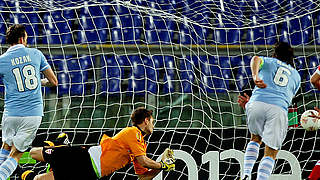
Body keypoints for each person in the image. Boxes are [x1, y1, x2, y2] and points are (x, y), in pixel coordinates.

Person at [21, 107, 175, 180]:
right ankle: (59, 143)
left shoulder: (141, 145)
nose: (153, 126)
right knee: (35, 153)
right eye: (152, 122)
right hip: (84, 157)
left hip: (90, 173)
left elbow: (143, 177)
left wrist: (162, 167)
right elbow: (144, 161)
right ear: (146, 120)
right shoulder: (132, 132)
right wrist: (162, 165)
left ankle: (21, 174)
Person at [0, 24, 58, 180]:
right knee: (16, 154)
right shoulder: (36, 54)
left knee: (5, 146)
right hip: (32, 114)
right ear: (21, 39)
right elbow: (54, 81)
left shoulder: (2, 60)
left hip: (11, 113)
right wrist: (41, 82)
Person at [240, 42, 301, 180]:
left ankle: (246, 174)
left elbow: (255, 58)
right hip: (278, 109)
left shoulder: (269, 61)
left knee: (255, 138)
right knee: (271, 152)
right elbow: (289, 98)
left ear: (275, 54)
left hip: (256, 103)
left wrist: (255, 77)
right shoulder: (296, 76)